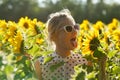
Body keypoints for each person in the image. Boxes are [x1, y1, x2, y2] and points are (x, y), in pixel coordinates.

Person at [34, 9, 91, 80]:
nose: (75, 32)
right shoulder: (41, 64)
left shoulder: (84, 62)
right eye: (69, 28)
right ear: (54, 36)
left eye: (76, 27)